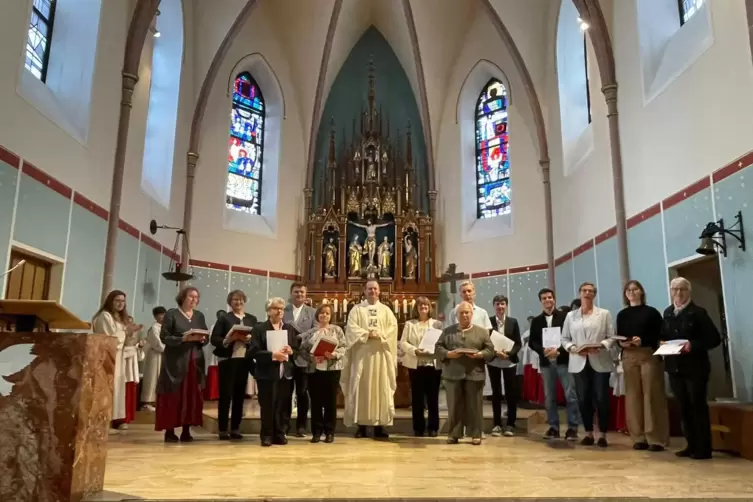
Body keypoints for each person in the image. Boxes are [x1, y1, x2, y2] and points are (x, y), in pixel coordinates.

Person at [660, 277, 721, 460]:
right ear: (671, 291)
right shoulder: (668, 312)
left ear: (689, 291)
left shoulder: (699, 312)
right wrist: (662, 342)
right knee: (683, 407)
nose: (678, 293)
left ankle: (703, 448)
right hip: (674, 367)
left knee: (697, 407)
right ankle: (690, 444)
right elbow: (664, 335)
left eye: (682, 289)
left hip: (695, 368)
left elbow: (714, 339)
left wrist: (692, 345)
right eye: (675, 289)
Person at [342, 280, 399, 440]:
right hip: (362, 355)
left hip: (381, 355)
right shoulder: (356, 310)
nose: (372, 291)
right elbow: (351, 328)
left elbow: (393, 329)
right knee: (361, 385)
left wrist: (379, 335)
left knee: (381, 386)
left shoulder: (386, 311)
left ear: (379, 291)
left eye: (375, 288)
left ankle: (380, 425)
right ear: (364, 291)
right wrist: (367, 334)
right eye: (369, 289)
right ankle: (361, 425)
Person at [616, 280, 669, 452]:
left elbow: (660, 335)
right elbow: (619, 336)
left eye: (635, 289)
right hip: (629, 355)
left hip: (648, 354)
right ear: (625, 294)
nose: (632, 292)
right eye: (629, 290)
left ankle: (655, 438)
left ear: (641, 292)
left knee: (652, 395)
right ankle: (638, 437)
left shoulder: (652, 312)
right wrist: (622, 344)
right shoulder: (622, 314)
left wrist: (643, 340)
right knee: (633, 396)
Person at [562, 282, 616, 447]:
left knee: (601, 398)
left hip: (599, 359)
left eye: (591, 291)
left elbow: (612, 337)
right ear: (579, 293)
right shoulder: (571, 316)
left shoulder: (604, 314)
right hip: (579, 361)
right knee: (583, 398)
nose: (587, 293)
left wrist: (601, 345)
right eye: (584, 291)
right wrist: (573, 348)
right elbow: (564, 338)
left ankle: (602, 434)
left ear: (595, 294)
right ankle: (588, 433)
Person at [435, 301, 495, 445]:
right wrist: (448, 354)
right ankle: (454, 434)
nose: (464, 315)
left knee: (474, 406)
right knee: (454, 405)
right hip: (452, 375)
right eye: (461, 313)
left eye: (467, 312)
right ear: (456, 315)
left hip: (474, 374)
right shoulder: (447, 331)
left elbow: (490, 350)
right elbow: (438, 348)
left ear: (472, 314)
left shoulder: (481, 332)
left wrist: (480, 354)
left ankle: (475, 434)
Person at [154, 286, 209, 443]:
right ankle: (170, 431)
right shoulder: (172, 314)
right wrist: (182, 339)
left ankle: (187, 430)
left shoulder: (199, 315)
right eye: (191, 296)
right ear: (183, 297)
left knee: (192, 396)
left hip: (194, 361)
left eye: (196, 297)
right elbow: (165, 337)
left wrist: (203, 339)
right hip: (175, 362)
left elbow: (205, 335)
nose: (194, 300)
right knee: (174, 396)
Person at [529, 288, 580, 441]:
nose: (547, 300)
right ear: (541, 301)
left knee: (570, 395)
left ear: (554, 299)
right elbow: (533, 342)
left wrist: (559, 350)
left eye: (550, 297)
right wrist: (543, 351)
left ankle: (572, 428)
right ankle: (554, 427)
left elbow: (571, 337)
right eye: (544, 298)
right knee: (549, 397)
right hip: (546, 363)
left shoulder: (566, 317)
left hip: (563, 359)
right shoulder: (537, 321)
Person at [247, 297, 299, 447]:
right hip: (267, 373)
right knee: (268, 405)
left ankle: (280, 433)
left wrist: (291, 350)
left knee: (283, 405)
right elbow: (253, 351)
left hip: (285, 372)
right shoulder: (260, 328)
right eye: (276, 308)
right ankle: (267, 435)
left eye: (281, 309)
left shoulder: (289, 329)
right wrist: (272, 355)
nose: (279, 311)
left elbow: (296, 349)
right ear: (268, 311)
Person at [210, 290, 258, 440]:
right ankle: (223, 428)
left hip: (244, 360)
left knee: (239, 395)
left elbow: (256, 339)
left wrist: (250, 339)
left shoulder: (252, 319)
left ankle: (236, 428)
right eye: (235, 300)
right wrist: (229, 339)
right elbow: (214, 339)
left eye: (241, 300)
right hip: (228, 360)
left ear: (245, 301)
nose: (238, 302)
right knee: (226, 395)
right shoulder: (224, 318)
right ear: (230, 302)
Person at [92, 290, 141, 432]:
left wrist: (131, 335)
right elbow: (109, 339)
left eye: (123, 301)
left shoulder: (120, 318)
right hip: (106, 358)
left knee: (117, 389)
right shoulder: (104, 316)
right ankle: (103, 422)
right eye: (117, 300)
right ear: (110, 301)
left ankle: (114, 420)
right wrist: (126, 332)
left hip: (118, 358)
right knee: (107, 388)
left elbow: (124, 341)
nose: (120, 304)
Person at [300, 304, 347, 443]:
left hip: (332, 370)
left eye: (327, 313)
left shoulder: (337, 330)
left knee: (330, 402)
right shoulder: (310, 332)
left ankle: (329, 432)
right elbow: (302, 350)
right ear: (317, 316)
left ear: (331, 316)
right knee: (316, 402)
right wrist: (311, 357)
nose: (324, 315)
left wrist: (333, 354)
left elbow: (344, 346)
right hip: (315, 371)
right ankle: (316, 432)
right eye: (321, 313)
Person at [399, 296, 443, 437]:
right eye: (420, 306)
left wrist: (435, 349)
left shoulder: (437, 324)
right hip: (416, 364)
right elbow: (403, 343)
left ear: (430, 308)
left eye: (426, 305)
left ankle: (433, 427)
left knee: (433, 398)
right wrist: (415, 350)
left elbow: (442, 342)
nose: (423, 308)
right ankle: (418, 428)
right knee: (417, 398)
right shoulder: (410, 324)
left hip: (432, 364)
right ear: (416, 309)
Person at [283, 281, 317, 437]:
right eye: (296, 292)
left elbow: (316, 333)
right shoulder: (283, 310)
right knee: (285, 393)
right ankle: (284, 424)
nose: (299, 295)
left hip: (303, 357)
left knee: (303, 394)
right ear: (291, 293)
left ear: (306, 294)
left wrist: (302, 340)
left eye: (302, 292)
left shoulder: (313, 312)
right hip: (286, 357)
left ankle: (301, 425)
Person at [487, 295, 522, 437]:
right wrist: (495, 352)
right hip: (494, 360)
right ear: (494, 306)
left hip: (509, 361)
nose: (500, 307)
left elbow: (518, 343)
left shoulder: (513, 322)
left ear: (506, 305)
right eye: (497, 304)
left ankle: (510, 424)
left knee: (510, 393)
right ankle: (496, 424)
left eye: (502, 304)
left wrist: (509, 353)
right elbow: (486, 342)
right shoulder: (488, 322)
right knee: (496, 393)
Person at [140, 306, 166, 411]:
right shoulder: (154, 328)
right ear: (156, 316)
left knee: (160, 378)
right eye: (161, 315)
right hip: (155, 355)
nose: (163, 317)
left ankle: (157, 401)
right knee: (152, 377)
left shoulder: (164, 327)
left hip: (163, 355)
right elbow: (157, 343)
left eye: (164, 314)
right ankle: (147, 402)